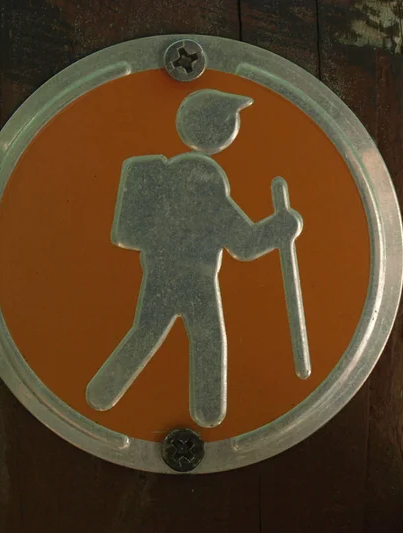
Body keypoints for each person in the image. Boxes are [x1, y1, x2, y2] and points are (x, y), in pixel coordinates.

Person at [86, 89, 305, 428]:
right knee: (208, 340)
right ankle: (209, 413)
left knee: (145, 334)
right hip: (197, 280)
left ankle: (102, 394)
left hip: (159, 273)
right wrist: (281, 227)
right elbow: (245, 245)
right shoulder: (208, 192)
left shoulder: (166, 186)